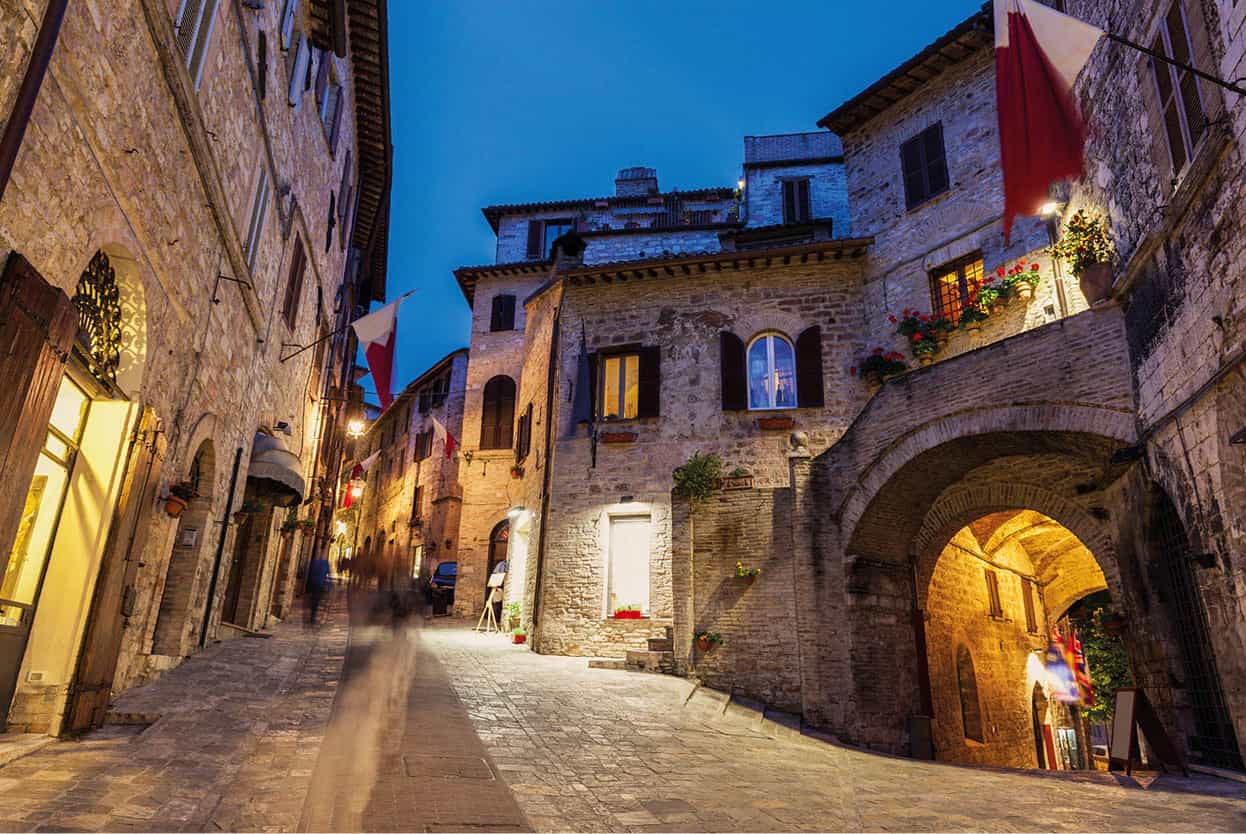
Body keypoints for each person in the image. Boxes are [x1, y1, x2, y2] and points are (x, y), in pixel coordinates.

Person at [306, 553, 331, 625]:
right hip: (320, 585)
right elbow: (328, 574)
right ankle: (312, 617)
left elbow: (310, 572)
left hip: (313, 584)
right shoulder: (325, 563)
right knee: (316, 601)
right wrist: (328, 585)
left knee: (313, 600)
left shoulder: (313, 562)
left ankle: (312, 616)